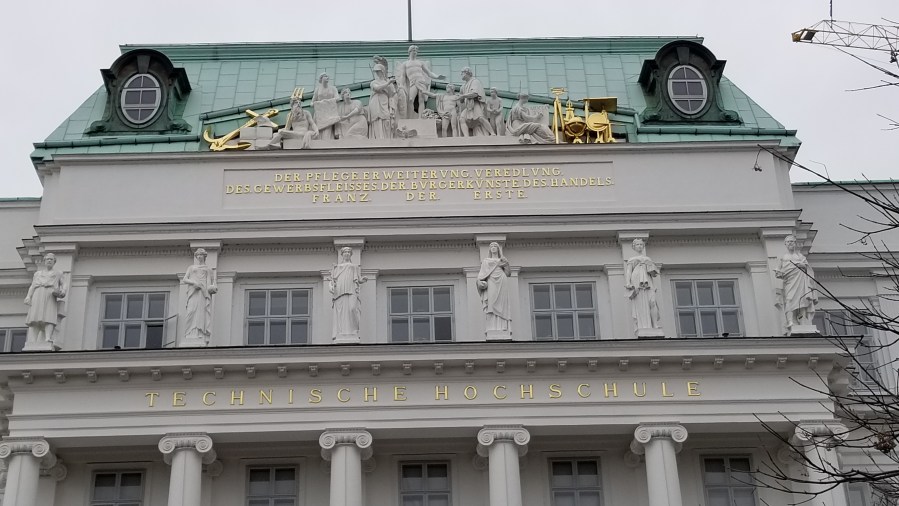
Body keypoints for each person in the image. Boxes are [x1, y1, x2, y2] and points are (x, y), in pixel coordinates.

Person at [775, 234, 818, 331]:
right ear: (785, 244)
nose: (790, 243)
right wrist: (781, 274)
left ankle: (802, 321)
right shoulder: (782, 257)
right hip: (789, 281)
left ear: (795, 243)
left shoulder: (800, 256)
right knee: (789, 300)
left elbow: (807, 268)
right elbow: (778, 271)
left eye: (792, 241)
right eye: (788, 242)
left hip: (801, 280)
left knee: (802, 301)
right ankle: (790, 321)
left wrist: (802, 265)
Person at [23, 253, 66, 347]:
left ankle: (48, 337)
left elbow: (63, 284)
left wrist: (63, 291)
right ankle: (33, 340)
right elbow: (33, 286)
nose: (49, 261)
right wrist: (28, 296)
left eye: (51, 259)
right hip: (38, 294)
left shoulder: (58, 273)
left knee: (49, 316)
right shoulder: (38, 274)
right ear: (44, 261)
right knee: (34, 316)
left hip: (50, 294)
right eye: (47, 259)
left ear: (54, 261)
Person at [624, 238, 661, 335]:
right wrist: (628, 282)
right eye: (637, 245)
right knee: (640, 303)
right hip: (637, 280)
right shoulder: (631, 259)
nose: (639, 246)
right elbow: (628, 271)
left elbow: (654, 274)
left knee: (652, 302)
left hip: (648, 281)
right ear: (634, 247)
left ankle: (655, 324)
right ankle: (643, 326)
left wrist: (651, 267)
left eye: (641, 244)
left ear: (643, 246)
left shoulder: (648, 259)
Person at [395, 45, 444, 118]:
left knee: (421, 100)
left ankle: (421, 117)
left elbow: (429, 73)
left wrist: (437, 77)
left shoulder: (420, 63)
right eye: (413, 50)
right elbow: (403, 76)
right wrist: (401, 85)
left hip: (421, 81)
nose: (415, 52)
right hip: (413, 82)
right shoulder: (405, 64)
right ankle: (410, 116)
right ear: (409, 52)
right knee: (410, 99)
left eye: (416, 51)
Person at [329, 247, 367, 340]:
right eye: (345, 252)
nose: (347, 254)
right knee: (341, 311)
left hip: (352, 289)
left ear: (350, 255)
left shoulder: (354, 266)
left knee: (353, 308)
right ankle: (341, 332)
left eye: (348, 252)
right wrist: (332, 286)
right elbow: (333, 280)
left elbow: (358, 278)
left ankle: (354, 330)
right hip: (341, 289)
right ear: (342, 254)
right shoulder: (337, 267)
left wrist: (362, 280)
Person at [182, 248, 217, 343]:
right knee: (191, 311)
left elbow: (210, 283)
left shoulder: (208, 269)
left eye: (201, 255)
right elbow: (185, 279)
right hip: (193, 291)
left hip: (203, 292)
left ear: (204, 256)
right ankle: (189, 333)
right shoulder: (191, 267)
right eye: (197, 255)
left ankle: (200, 333)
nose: (199, 257)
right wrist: (194, 283)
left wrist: (212, 288)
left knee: (201, 312)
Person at [477, 242, 511, 335]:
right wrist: (479, 282)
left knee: (502, 304)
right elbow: (481, 276)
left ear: (498, 249)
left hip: (502, 280)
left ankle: (503, 326)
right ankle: (492, 327)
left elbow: (508, 273)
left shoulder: (502, 260)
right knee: (491, 303)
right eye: (491, 246)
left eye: (495, 246)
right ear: (489, 249)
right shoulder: (486, 261)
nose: (493, 247)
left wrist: (506, 264)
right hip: (491, 281)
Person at [458, 67, 494, 137]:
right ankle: (466, 137)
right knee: (462, 119)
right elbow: (462, 101)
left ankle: (492, 133)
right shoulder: (463, 86)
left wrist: (463, 96)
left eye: (462, 73)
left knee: (480, 118)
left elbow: (475, 94)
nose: (461, 74)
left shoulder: (475, 82)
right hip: (468, 107)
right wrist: (459, 97)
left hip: (475, 104)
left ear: (467, 73)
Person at [368, 63, 396, 139]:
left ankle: (386, 137)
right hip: (375, 101)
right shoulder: (373, 82)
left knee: (386, 119)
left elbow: (392, 94)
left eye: (379, 71)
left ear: (383, 71)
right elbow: (377, 89)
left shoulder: (388, 82)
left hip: (385, 101)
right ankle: (377, 137)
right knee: (376, 119)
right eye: (376, 71)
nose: (377, 73)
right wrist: (388, 83)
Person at [313, 73, 339, 140]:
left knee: (327, 129)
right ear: (321, 78)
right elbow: (312, 102)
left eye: (327, 76)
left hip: (329, 112)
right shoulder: (317, 89)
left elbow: (338, 98)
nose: (327, 77)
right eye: (325, 76)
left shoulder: (333, 88)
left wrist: (326, 102)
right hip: (320, 113)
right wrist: (318, 103)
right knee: (319, 130)